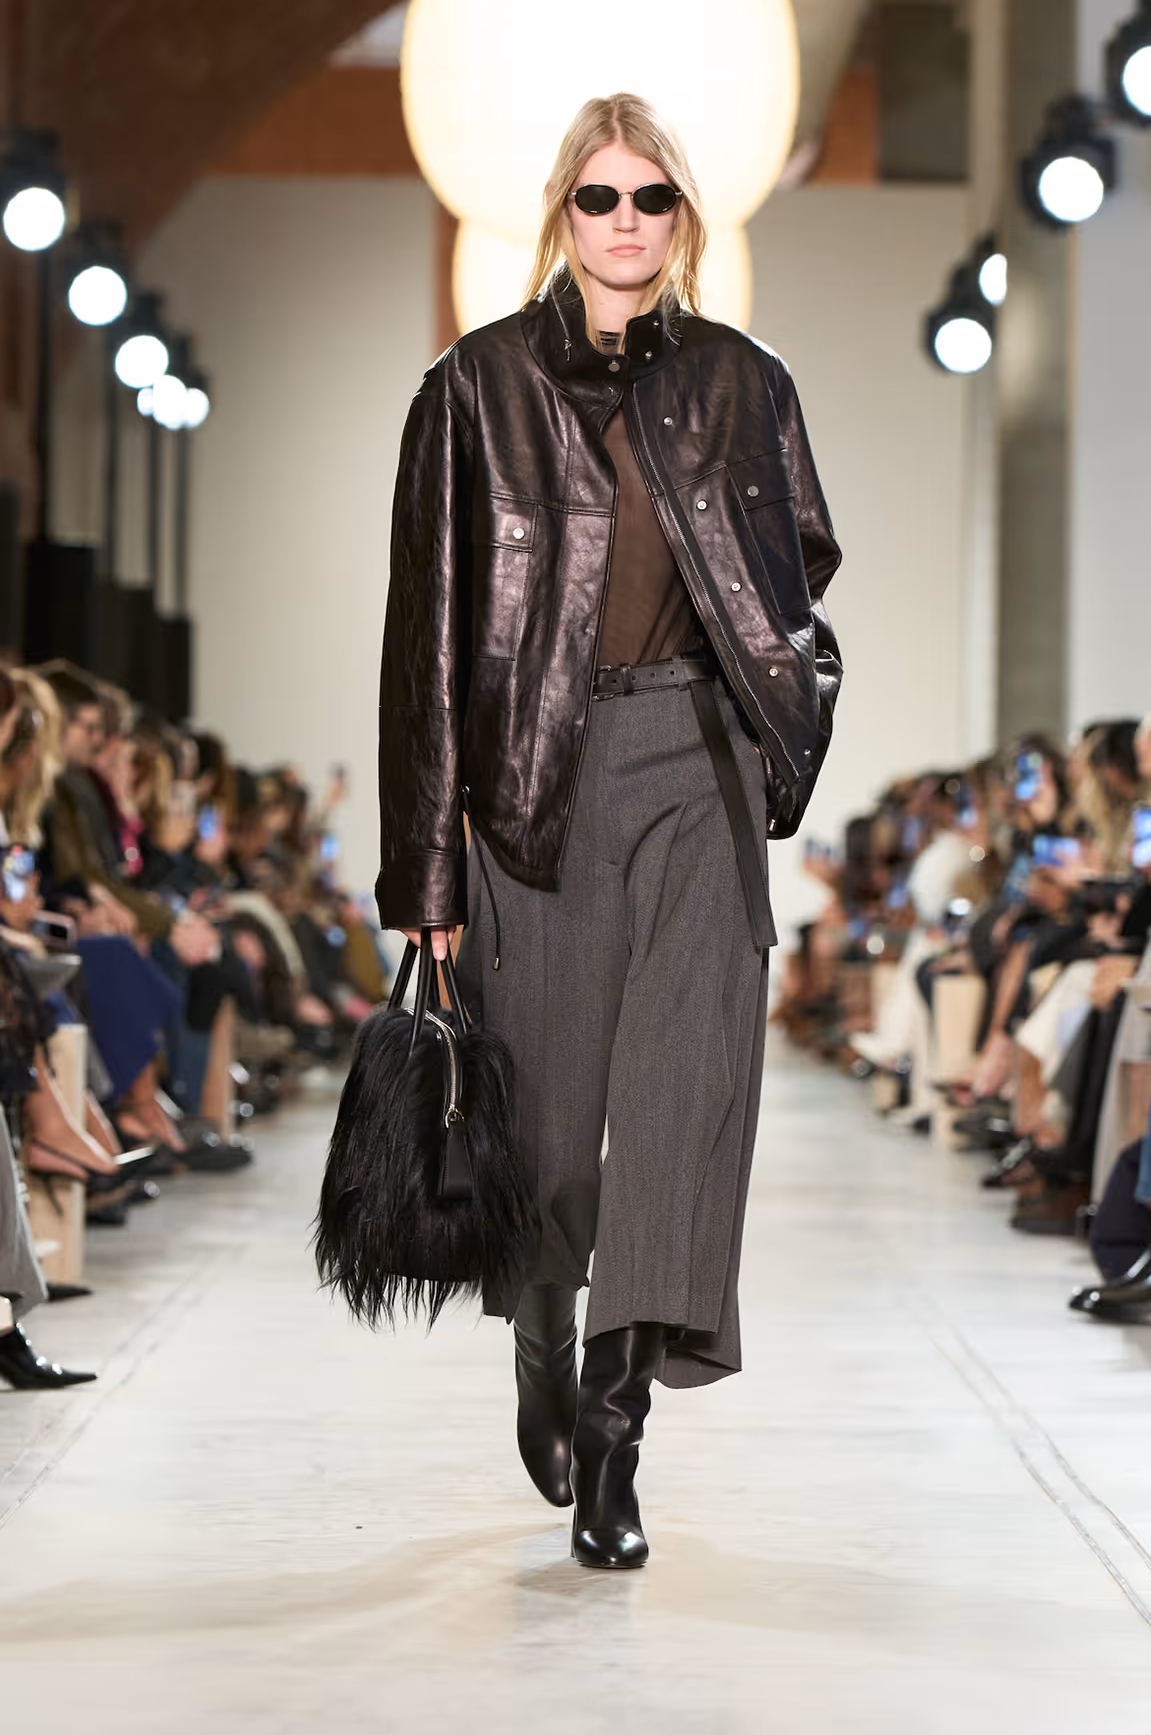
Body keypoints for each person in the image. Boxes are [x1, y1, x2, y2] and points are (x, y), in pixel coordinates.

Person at [376, 93, 842, 1569]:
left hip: (700, 766)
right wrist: (425, 869)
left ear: (682, 215)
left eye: (651, 197)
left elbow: (799, 570)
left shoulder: (745, 382)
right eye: (600, 196)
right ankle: (542, 1329)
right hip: (538, 784)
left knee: (684, 1110)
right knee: (551, 1124)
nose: (626, 220)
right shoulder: (475, 388)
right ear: (562, 213)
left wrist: (790, 717)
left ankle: (617, 1432)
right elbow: (425, 646)